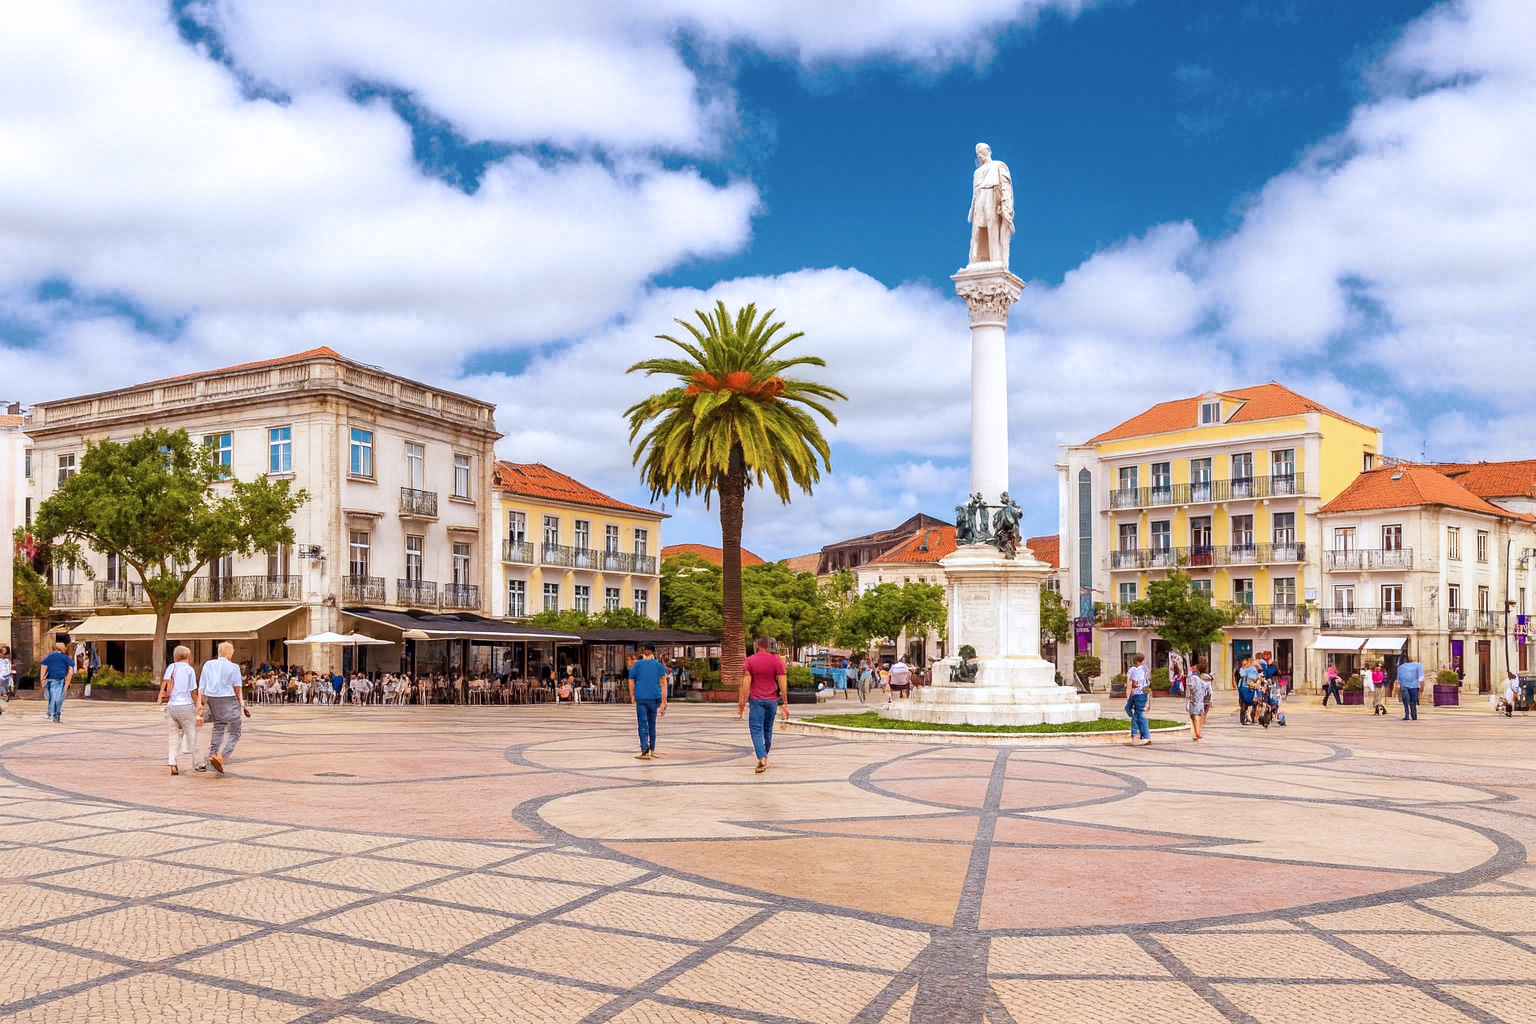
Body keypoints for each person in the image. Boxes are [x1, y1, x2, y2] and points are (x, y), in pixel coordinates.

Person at [738, 637, 788, 773]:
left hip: (756, 700)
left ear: (758, 646)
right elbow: (782, 682)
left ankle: (761, 757)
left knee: (756, 729)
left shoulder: (750, 661)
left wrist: (743, 700)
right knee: (768, 729)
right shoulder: (777, 660)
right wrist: (785, 702)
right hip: (772, 700)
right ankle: (765, 754)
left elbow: (746, 682)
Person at [198, 641, 248, 774]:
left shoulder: (208, 664)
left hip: (213, 699)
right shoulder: (234, 667)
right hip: (228, 699)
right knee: (235, 731)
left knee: (218, 726)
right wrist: (241, 703)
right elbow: (237, 687)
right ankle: (222, 757)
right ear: (230, 653)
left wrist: (199, 705)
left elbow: (201, 686)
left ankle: (213, 753)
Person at [157, 646, 200, 775]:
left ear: (176, 656)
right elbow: (193, 689)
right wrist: (198, 704)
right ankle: (197, 762)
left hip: (172, 706)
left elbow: (165, 682)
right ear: (188, 656)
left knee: (173, 736)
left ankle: (172, 763)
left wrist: (160, 695)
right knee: (191, 734)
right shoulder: (189, 669)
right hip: (186, 705)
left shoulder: (172, 667)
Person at [627, 646, 668, 760]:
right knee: (652, 723)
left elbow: (631, 681)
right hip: (654, 697)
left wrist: (632, 696)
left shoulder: (637, 665)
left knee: (642, 723)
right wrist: (664, 701)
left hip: (641, 697)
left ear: (643, 652)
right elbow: (663, 683)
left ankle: (644, 750)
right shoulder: (659, 666)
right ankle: (652, 749)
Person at [40, 642, 74, 723]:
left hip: (51, 680)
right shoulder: (66, 658)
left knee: (52, 697)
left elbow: (43, 668)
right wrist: (67, 683)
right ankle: (56, 714)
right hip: (61, 680)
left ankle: (51, 711)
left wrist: (42, 680)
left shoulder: (48, 657)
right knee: (59, 699)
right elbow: (70, 672)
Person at [1125, 653, 1151, 745]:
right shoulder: (1144, 668)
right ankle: (1137, 733)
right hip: (1139, 693)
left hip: (1139, 693)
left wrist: (1130, 688)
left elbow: (1135, 683)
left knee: (1138, 714)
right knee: (1133, 711)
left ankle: (1142, 735)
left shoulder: (1139, 670)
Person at [1185, 658, 1213, 741]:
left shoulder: (1194, 676)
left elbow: (1191, 687)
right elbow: (1210, 689)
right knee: (1202, 715)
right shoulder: (1208, 676)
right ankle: (1198, 731)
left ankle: (1196, 732)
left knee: (1195, 715)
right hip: (1206, 697)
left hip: (1197, 698)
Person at [1397, 656, 1425, 721]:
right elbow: (1421, 676)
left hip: (1404, 685)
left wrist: (1399, 687)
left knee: (1405, 701)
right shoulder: (1418, 665)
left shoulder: (1400, 667)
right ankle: (1414, 716)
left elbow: (1399, 679)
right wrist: (1422, 686)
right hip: (1414, 686)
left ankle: (1407, 715)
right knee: (1413, 701)